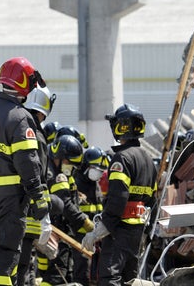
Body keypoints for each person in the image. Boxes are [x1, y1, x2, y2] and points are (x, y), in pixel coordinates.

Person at [0, 57, 50, 286]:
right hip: (12, 198)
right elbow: (28, 163)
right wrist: (40, 200)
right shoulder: (20, 117)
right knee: (6, 252)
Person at [81, 104, 158, 286]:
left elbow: (117, 200)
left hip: (119, 229)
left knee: (110, 277)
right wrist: (148, 231)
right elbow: (153, 200)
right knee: (129, 279)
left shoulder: (122, 158)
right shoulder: (148, 159)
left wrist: (97, 233)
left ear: (120, 127)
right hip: (137, 232)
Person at [39, 134, 94, 286]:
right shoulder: (56, 175)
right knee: (57, 274)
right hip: (57, 231)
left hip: (56, 230)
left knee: (56, 272)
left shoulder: (54, 169)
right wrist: (83, 220)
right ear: (60, 157)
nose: (72, 167)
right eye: (70, 162)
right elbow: (65, 202)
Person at [72, 146, 108, 285]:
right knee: (81, 273)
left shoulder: (96, 185)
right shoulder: (76, 182)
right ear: (87, 165)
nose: (99, 173)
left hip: (95, 235)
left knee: (94, 273)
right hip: (79, 235)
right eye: (97, 169)